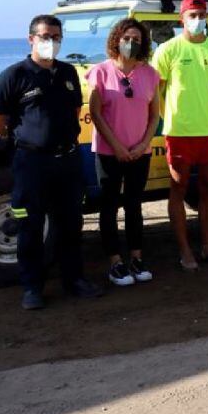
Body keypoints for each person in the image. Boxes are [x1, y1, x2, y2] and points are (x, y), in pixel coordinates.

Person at [0, 14, 103, 309]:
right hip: (31, 163)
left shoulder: (67, 73)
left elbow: (76, 108)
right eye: (45, 36)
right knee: (30, 225)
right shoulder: (13, 76)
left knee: (71, 224)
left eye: (56, 37)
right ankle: (32, 288)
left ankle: (74, 280)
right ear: (31, 39)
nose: (50, 42)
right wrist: (24, 140)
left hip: (67, 160)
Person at [151, 0, 208, 271]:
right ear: (181, 18)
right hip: (180, 132)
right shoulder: (166, 50)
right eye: (192, 15)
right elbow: (156, 93)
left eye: (202, 15)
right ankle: (185, 250)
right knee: (179, 188)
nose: (197, 20)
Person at [87, 18, 161, 286]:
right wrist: (117, 147)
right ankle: (115, 263)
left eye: (137, 39)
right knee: (108, 207)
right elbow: (95, 113)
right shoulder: (100, 72)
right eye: (127, 38)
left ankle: (137, 258)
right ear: (116, 39)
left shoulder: (150, 74)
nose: (131, 43)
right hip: (109, 152)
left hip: (140, 152)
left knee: (134, 205)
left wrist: (142, 145)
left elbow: (155, 115)